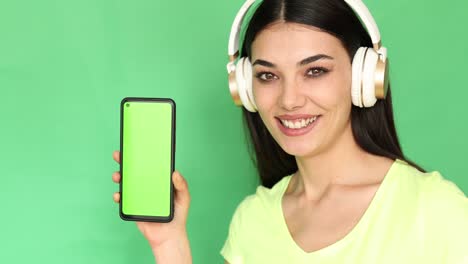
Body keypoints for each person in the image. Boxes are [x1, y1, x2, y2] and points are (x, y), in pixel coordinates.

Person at [111, 0, 468, 263]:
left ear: (364, 77)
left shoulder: (437, 211)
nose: (289, 100)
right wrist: (168, 243)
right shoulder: (252, 220)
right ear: (247, 91)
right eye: (268, 76)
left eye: (315, 71)